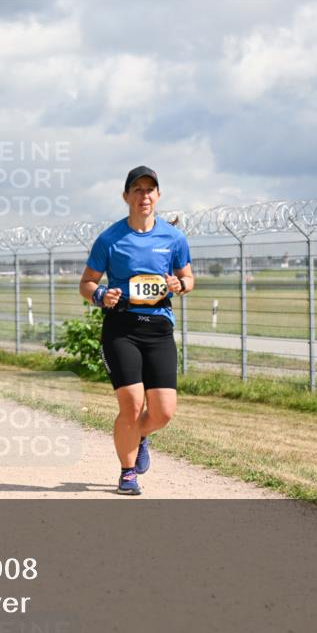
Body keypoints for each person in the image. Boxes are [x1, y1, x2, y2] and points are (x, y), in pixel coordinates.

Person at [79, 166, 194, 495]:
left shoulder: (173, 238)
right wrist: (101, 295)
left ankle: (139, 436)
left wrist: (179, 284)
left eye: (150, 190)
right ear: (126, 196)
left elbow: (188, 278)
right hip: (122, 327)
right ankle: (128, 472)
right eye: (138, 190)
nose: (144, 196)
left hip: (158, 328)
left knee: (163, 412)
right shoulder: (110, 239)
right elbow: (86, 283)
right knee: (131, 404)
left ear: (158, 195)